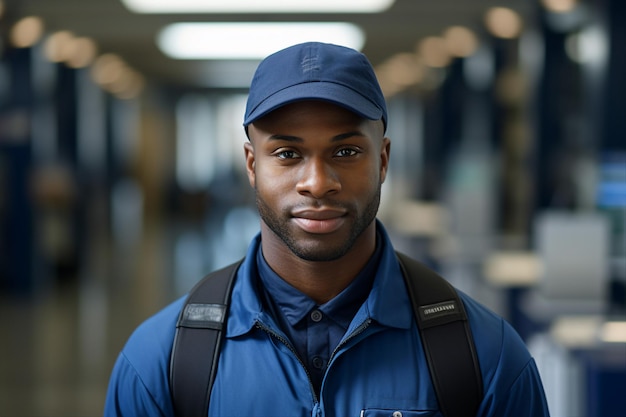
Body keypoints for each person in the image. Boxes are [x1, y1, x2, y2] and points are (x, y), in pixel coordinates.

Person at [104, 42, 550, 417]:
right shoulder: (162, 362)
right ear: (252, 164)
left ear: (382, 161)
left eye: (346, 151)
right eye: (286, 154)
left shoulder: (484, 357)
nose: (317, 183)